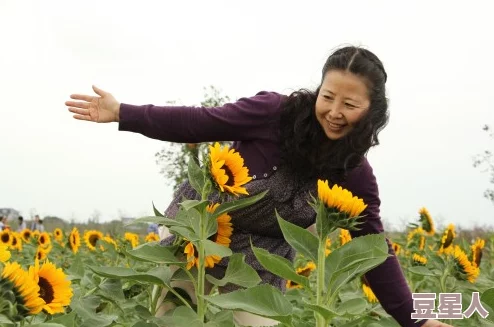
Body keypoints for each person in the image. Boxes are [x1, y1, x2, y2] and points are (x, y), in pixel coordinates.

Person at [66, 46, 452, 327]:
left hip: (262, 256)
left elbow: (374, 251)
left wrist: (417, 320)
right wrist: (124, 113)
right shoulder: (274, 114)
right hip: (201, 229)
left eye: (349, 105)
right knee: (175, 315)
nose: (334, 113)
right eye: (328, 97)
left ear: (372, 111)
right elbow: (199, 122)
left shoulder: (354, 174)